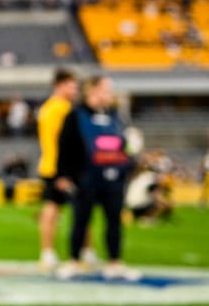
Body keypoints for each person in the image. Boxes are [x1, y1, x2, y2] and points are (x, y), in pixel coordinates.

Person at [55, 75, 139, 281]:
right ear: (92, 91)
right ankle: (74, 261)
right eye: (106, 90)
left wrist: (131, 159)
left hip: (113, 178)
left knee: (114, 222)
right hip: (85, 177)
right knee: (81, 221)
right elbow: (64, 146)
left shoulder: (116, 116)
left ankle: (115, 262)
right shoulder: (75, 115)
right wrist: (63, 174)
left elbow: (125, 146)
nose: (109, 95)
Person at [36, 68, 84, 270]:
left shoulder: (48, 107)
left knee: (56, 208)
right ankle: (50, 253)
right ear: (60, 85)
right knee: (74, 209)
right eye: (72, 86)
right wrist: (64, 170)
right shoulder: (61, 108)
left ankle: (49, 253)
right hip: (61, 166)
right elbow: (63, 140)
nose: (75, 90)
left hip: (51, 164)